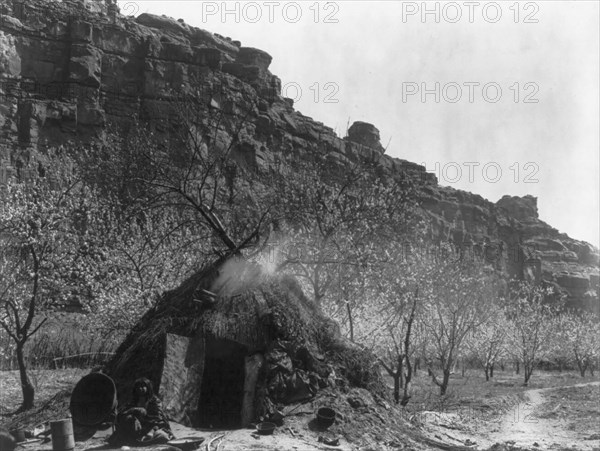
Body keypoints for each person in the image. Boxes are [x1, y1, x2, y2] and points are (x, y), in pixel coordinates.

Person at [110, 377, 174, 445]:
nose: (140, 388)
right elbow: (122, 413)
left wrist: (150, 429)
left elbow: (157, 419)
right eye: (138, 387)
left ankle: (143, 439)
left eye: (143, 386)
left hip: (152, 427)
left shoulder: (154, 401)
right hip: (136, 428)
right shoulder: (133, 402)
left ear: (148, 387)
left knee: (161, 436)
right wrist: (132, 411)